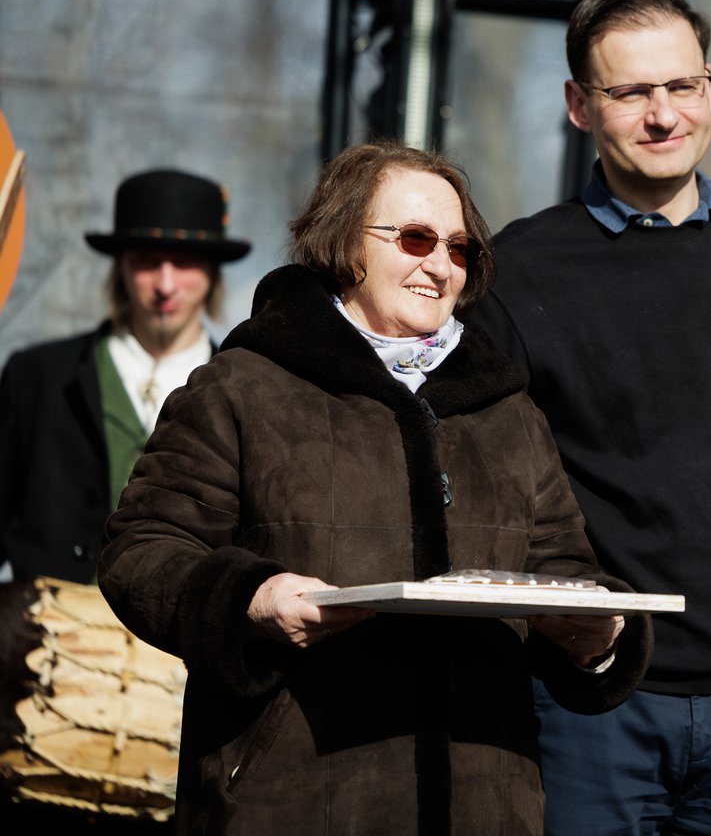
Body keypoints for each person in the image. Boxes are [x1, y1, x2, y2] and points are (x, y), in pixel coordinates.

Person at [98, 142, 652, 835]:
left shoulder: (508, 411)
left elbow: (561, 568)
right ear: (343, 243)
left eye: (459, 248)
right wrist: (251, 600)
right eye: (415, 238)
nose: (440, 265)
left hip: (482, 807)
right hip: (292, 801)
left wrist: (594, 638)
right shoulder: (242, 387)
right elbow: (142, 550)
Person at [472, 0, 711, 835]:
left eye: (682, 85)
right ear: (579, 106)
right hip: (594, 699)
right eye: (632, 92)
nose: (664, 114)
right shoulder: (521, 271)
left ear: (710, 88)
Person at [0, 169, 250, 584]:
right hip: (49, 620)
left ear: (212, 272)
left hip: (182, 623)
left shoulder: (246, 391)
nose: (165, 285)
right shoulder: (37, 377)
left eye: (184, 262)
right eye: (147, 262)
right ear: (121, 268)